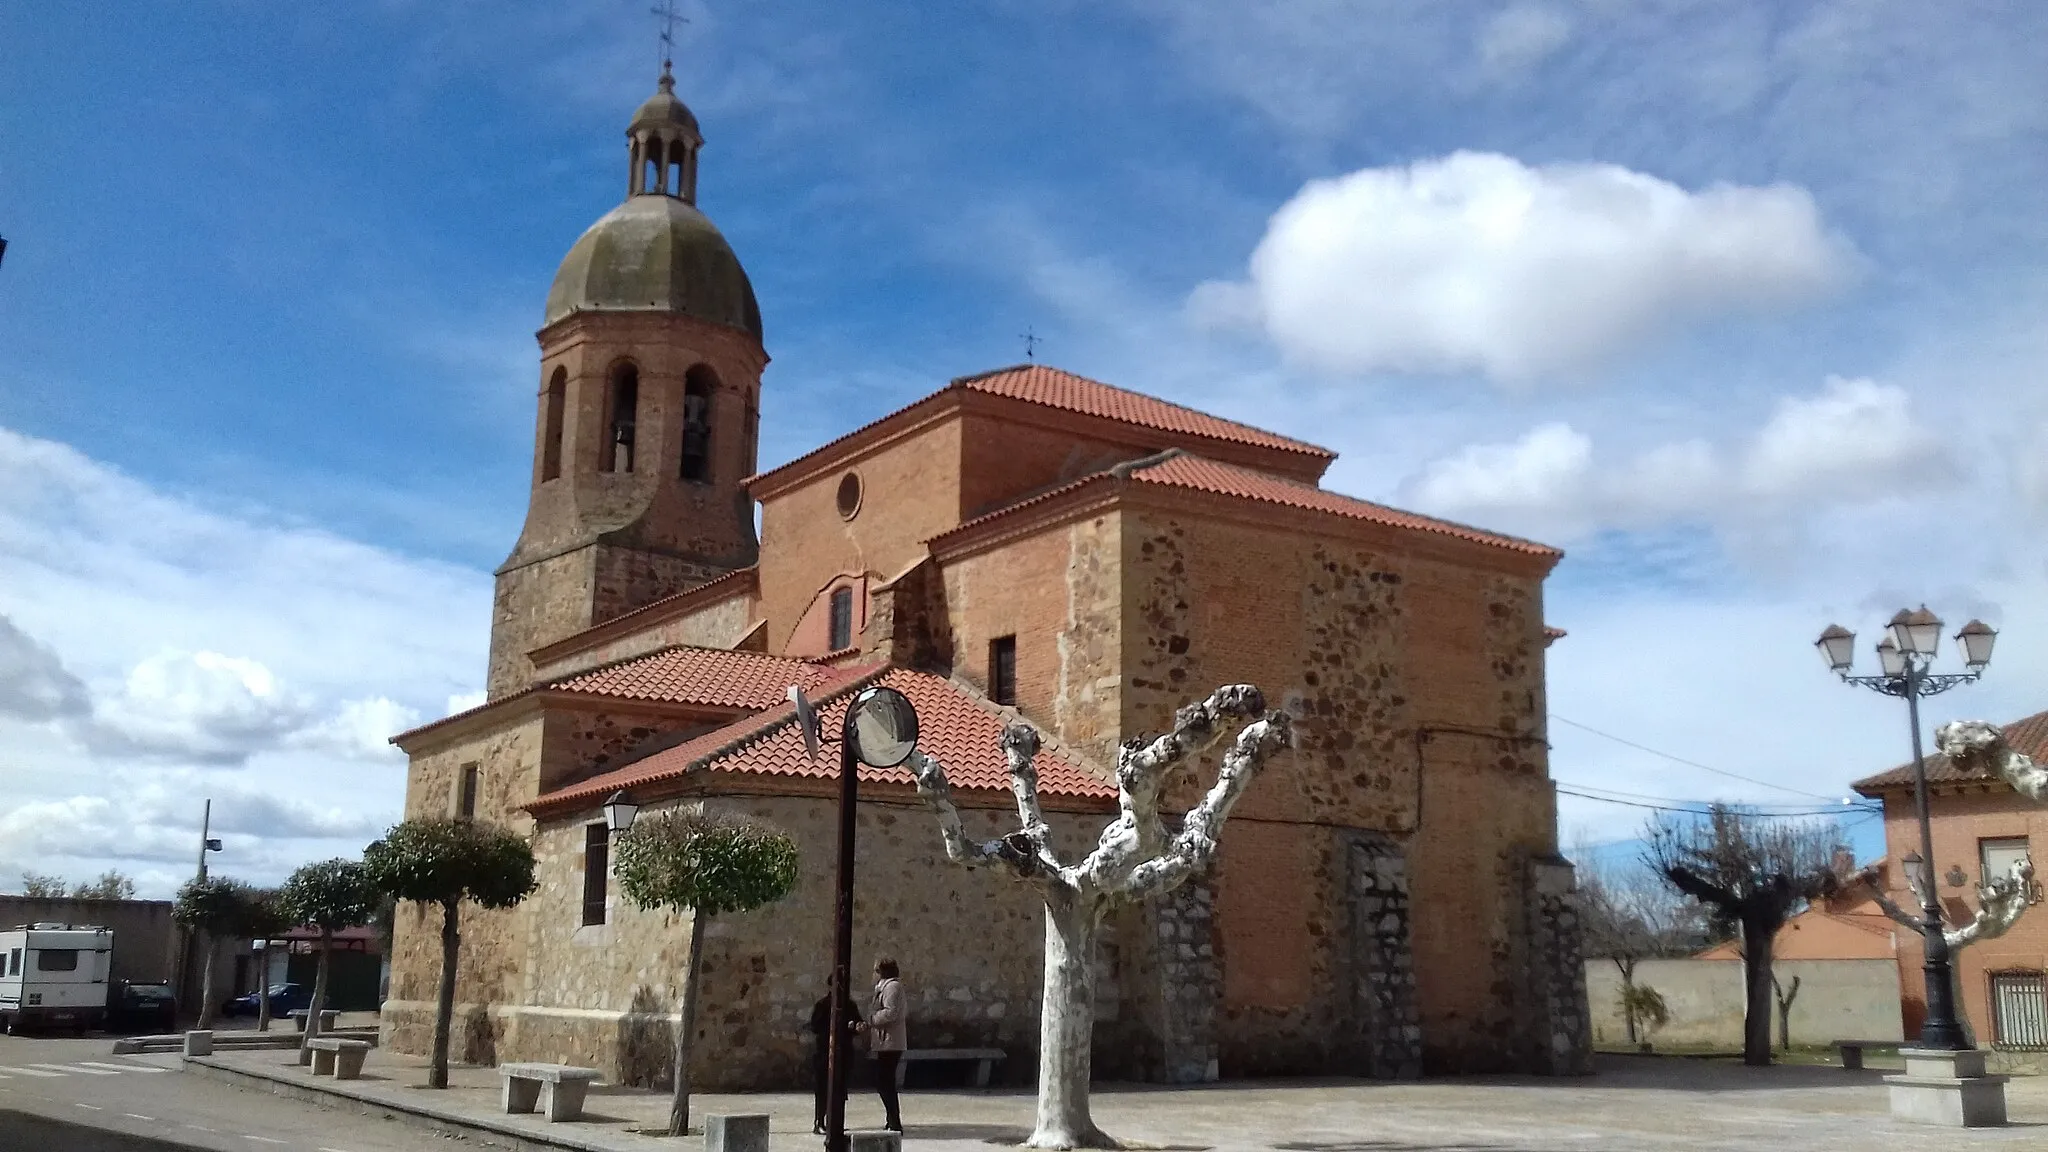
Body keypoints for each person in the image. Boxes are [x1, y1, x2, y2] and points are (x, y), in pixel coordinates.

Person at [806, 979, 858, 1135]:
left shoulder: (850, 1005)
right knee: (822, 1087)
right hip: (824, 1051)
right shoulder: (822, 1005)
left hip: (844, 1051)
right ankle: (819, 1121)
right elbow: (814, 1026)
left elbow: (857, 1023)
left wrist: (854, 1026)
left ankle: (835, 1122)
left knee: (840, 1088)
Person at [867, 957, 907, 1132]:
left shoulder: (892, 987)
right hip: (885, 1041)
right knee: (884, 1081)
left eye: (876, 970)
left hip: (890, 1041)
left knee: (885, 1082)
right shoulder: (884, 987)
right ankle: (891, 1119)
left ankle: (894, 1121)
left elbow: (890, 1012)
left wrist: (871, 1020)